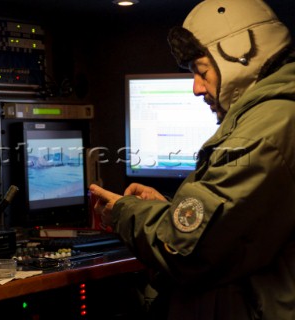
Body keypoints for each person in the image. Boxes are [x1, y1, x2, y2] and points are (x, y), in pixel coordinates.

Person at [89, 0, 295, 319]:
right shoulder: (275, 115)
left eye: (201, 72)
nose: (197, 89)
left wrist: (123, 211)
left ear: (241, 57)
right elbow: (234, 228)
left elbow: (186, 251)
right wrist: (166, 211)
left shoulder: (260, 135)